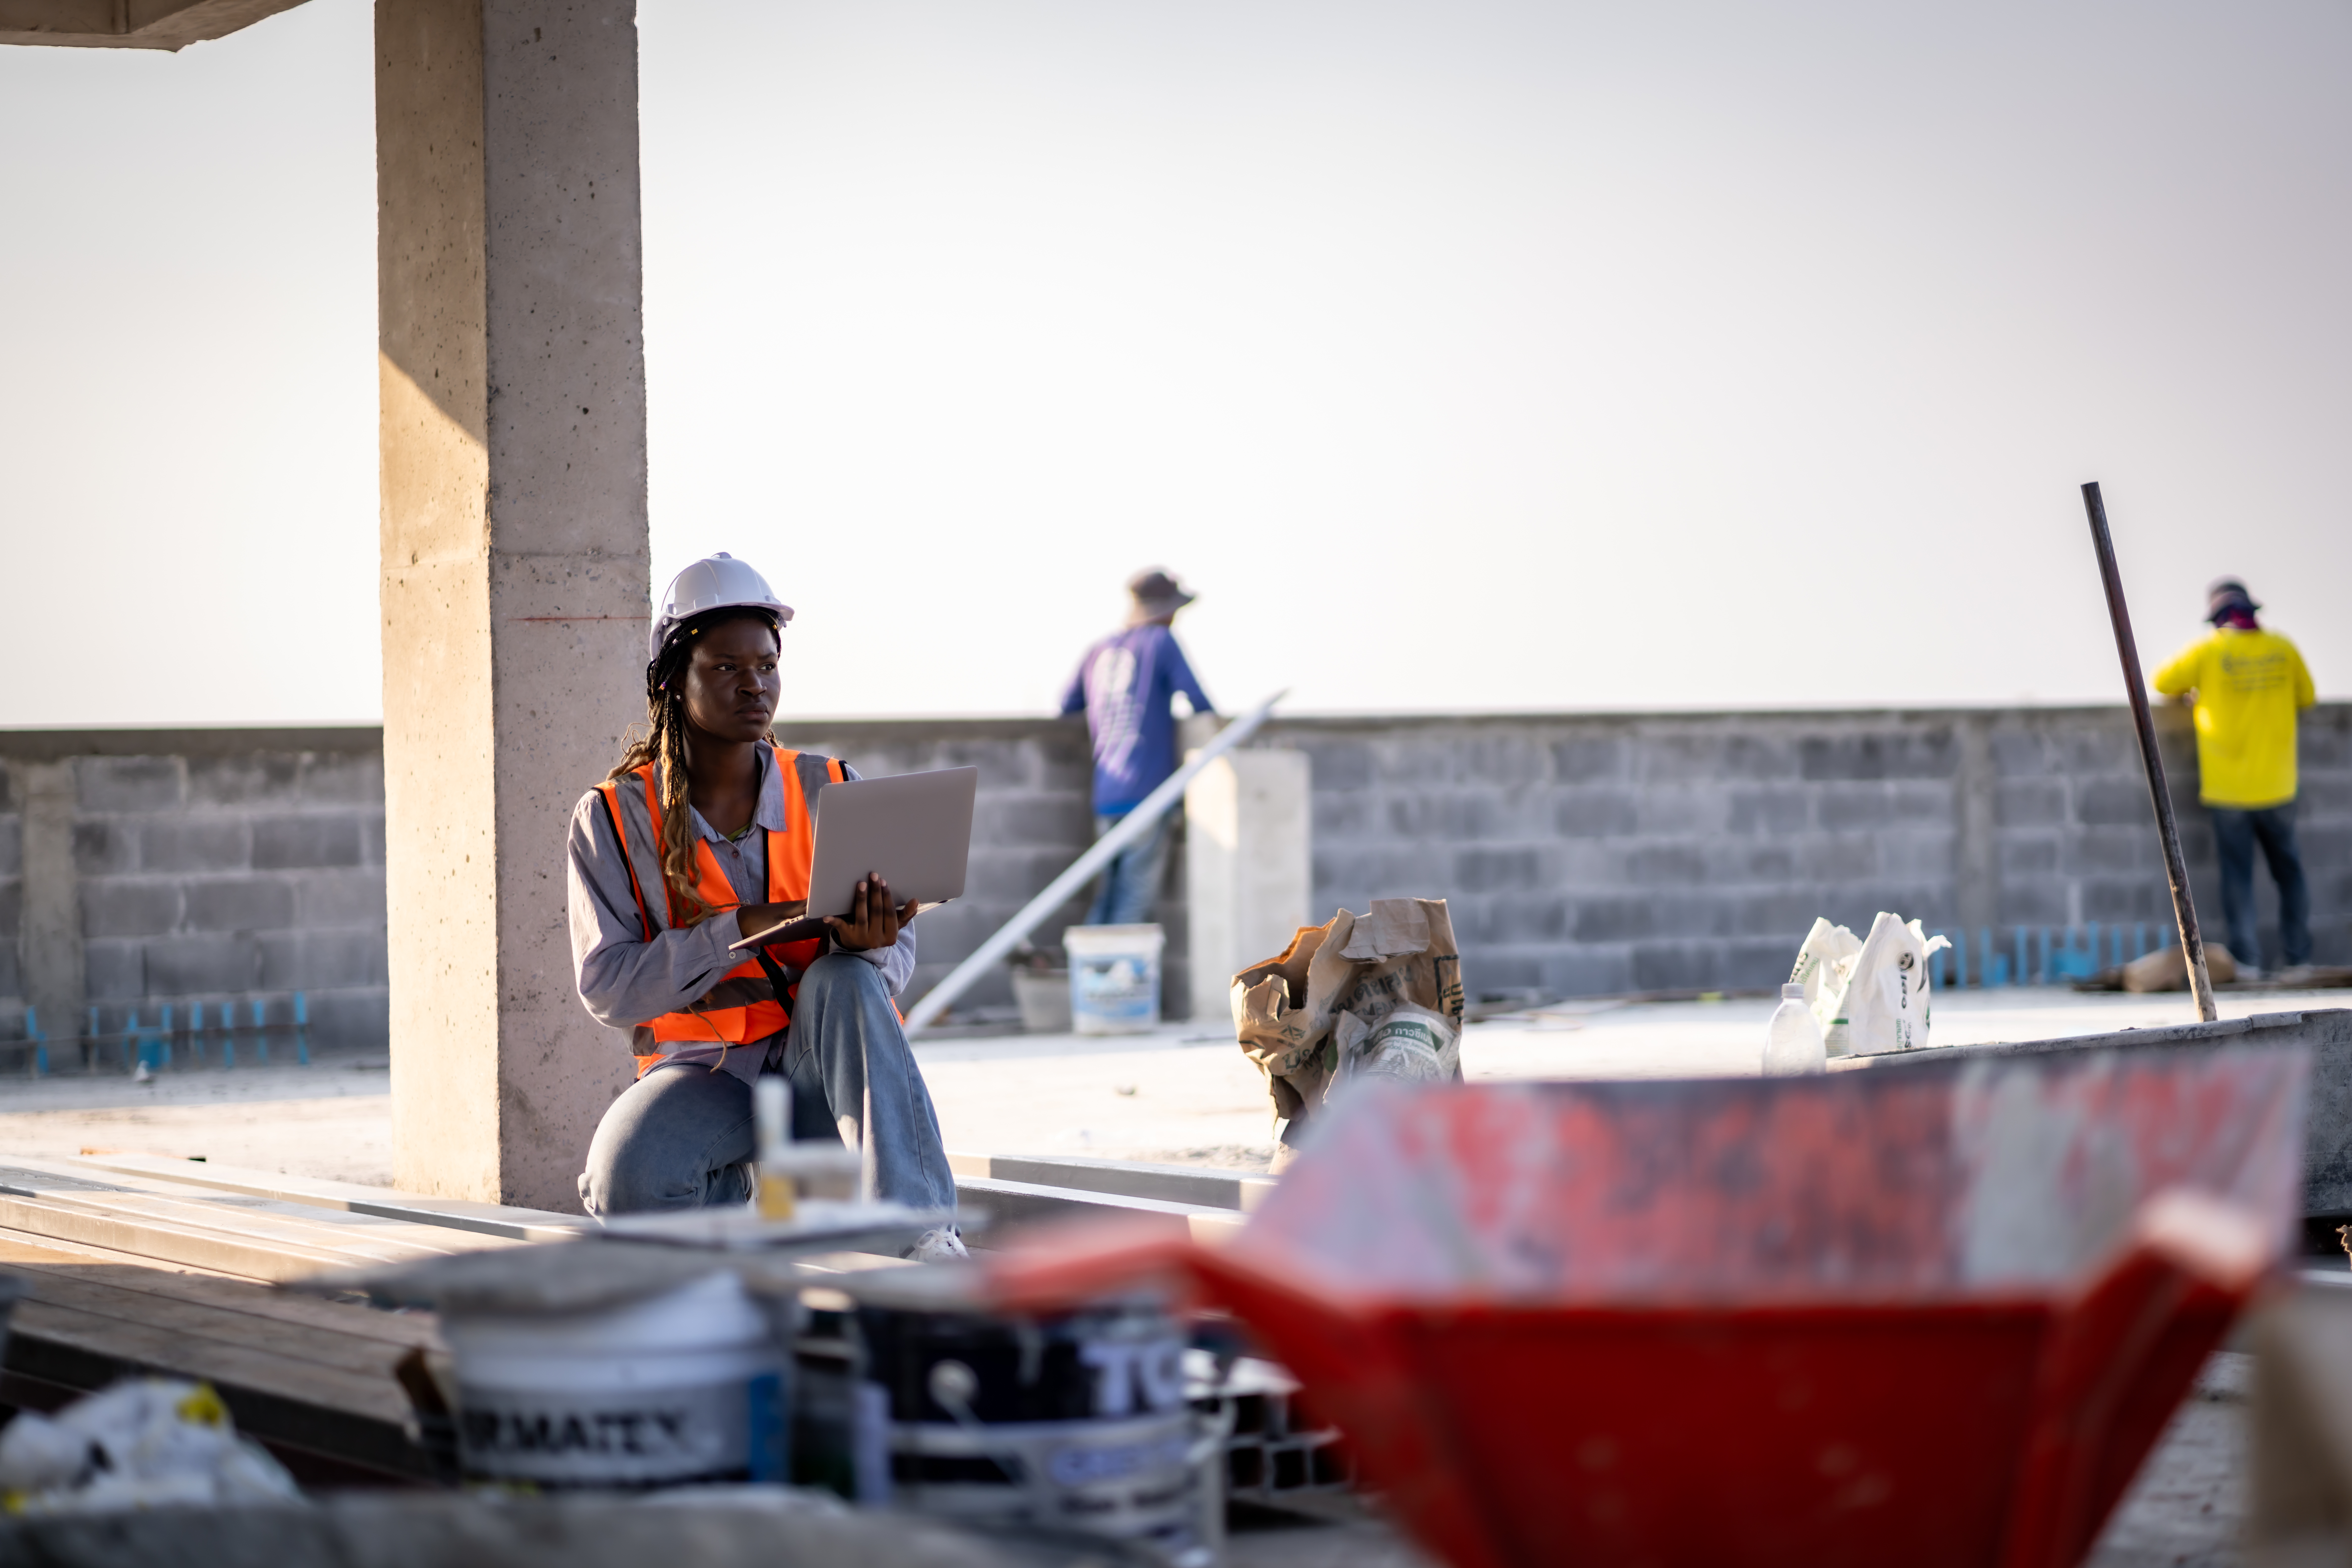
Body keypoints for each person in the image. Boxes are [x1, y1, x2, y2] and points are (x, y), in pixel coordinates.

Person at [567, 553, 963, 1257]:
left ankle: (920, 1234)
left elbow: (892, 964)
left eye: (767, 665)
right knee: (624, 1180)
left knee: (847, 976)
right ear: (670, 682)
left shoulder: (830, 786)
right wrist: (740, 929)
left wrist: (870, 942)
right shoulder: (613, 819)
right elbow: (610, 986)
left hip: (823, 1074)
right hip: (707, 1073)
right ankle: (743, 1214)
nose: (756, 685)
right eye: (726, 668)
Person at [2152, 576, 2317, 978]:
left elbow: (2160, 682)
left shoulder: (2209, 652)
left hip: (2229, 790)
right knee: (2289, 874)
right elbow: (2308, 697)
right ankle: (2298, 960)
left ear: (2215, 617)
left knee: (2238, 879)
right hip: (2278, 786)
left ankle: (2247, 962)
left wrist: (2192, 697)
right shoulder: (2282, 649)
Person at [1059, 569, 1215, 926]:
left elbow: (1067, 706)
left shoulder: (1098, 650)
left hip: (1106, 794)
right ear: (1167, 610)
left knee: (1108, 895)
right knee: (1133, 900)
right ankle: (1113, 979)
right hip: (1148, 793)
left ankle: (1092, 975)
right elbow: (1199, 702)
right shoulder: (1161, 642)